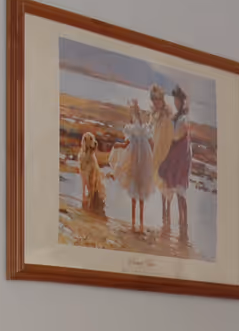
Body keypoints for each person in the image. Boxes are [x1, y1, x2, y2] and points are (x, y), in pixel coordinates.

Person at [156, 84, 192, 247]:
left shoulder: (184, 118)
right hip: (175, 155)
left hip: (181, 157)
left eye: (179, 100)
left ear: (184, 101)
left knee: (180, 191)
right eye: (176, 100)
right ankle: (174, 225)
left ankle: (183, 227)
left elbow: (178, 136)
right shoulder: (177, 116)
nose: (177, 103)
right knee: (174, 187)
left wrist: (168, 136)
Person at [113, 100, 155, 234]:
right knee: (140, 192)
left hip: (137, 163)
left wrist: (118, 145)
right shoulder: (142, 129)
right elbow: (151, 143)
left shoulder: (135, 128)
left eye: (132, 112)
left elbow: (127, 144)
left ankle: (134, 224)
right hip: (143, 163)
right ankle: (140, 225)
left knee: (135, 193)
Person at [76, 131, 106, 217]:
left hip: (97, 189)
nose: (95, 142)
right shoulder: (82, 157)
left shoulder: (93, 159)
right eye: (91, 140)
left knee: (93, 187)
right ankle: (86, 205)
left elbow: (93, 183)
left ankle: (91, 207)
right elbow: (83, 180)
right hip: (90, 190)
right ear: (85, 142)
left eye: (93, 139)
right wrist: (83, 196)